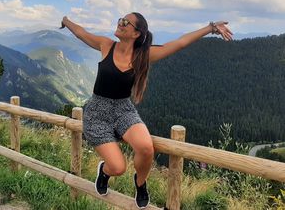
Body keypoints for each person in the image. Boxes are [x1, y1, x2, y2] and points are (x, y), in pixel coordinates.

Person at [60, 13, 232, 208]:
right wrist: (66, 21)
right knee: (117, 167)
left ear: (136, 33)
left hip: (123, 109)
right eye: (120, 19)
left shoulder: (143, 55)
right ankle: (105, 172)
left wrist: (210, 28)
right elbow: (81, 33)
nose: (120, 23)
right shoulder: (106, 45)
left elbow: (180, 43)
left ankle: (140, 184)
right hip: (97, 112)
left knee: (146, 147)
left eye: (125, 22)